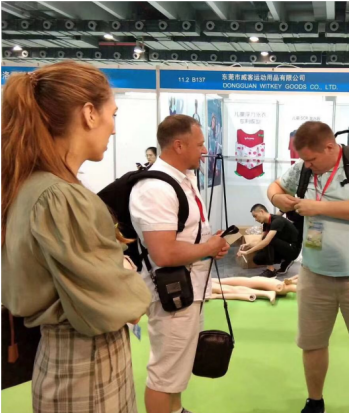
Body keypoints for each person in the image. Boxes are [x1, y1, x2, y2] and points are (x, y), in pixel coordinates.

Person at [1, 62, 151, 413]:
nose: (114, 128)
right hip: (87, 363)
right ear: (89, 114)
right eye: (113, 114)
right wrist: (128, 280)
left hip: (70, 360)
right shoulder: (60, 197)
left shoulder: (31, 186)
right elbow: (110, 303)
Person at [267, 121, 349, 414]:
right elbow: (275, 186)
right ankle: (314, 401)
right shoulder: (305, 168)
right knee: (312, 343)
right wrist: (277, 198)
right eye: (304, 159)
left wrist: (318, 208)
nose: (307, 165)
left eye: (312, 159)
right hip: (314, 274)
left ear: (330, 147)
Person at [129, 115, 230, 413]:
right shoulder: (156, 188)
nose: (204, 150)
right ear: (178, 145)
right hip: (171, 293)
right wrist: (206, 248)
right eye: (199, 144)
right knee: (165, 375)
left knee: (176, 371)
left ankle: (176, 410)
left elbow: (183, 237)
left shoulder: (182, 179)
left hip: (188, 290)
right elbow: (163, 253)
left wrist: (210, 247)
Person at [237, 204, 301, 277]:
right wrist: (248, 245)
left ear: (262, 211)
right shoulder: (266, 224)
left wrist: (247, 252)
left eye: (255, 216)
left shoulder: (277, 221)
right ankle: (285, 260)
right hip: (282, 247)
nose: (255, 219)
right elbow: (261, 241)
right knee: (257, 259)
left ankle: (271, 270)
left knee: (268, 240)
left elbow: (266, 241)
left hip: (293, 249)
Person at [208, 113, 222, 186]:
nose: (213, 123)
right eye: (212, 121)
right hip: (210, 155)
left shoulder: (218, 133)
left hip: (215, 156)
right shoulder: (209, 131)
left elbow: (219, 147)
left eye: (214, 121)